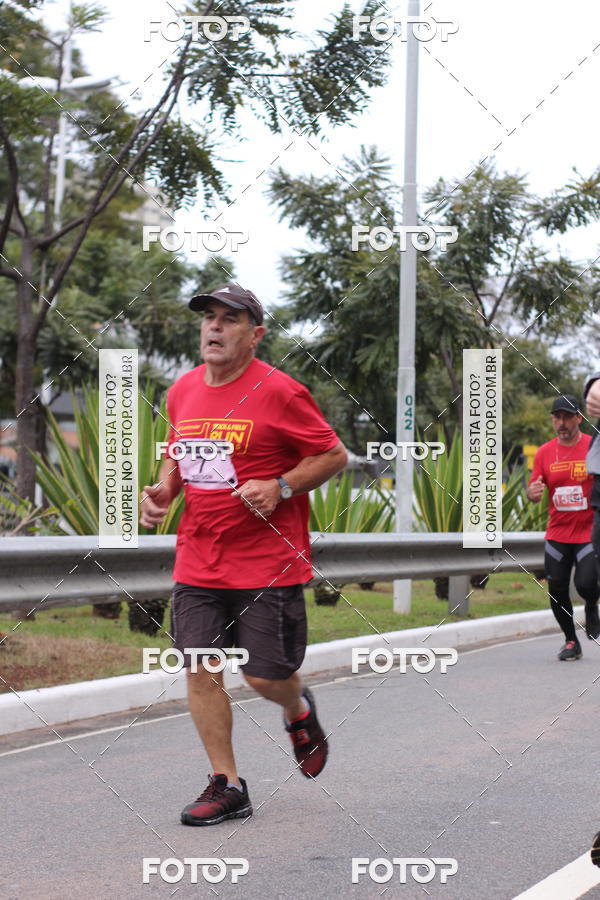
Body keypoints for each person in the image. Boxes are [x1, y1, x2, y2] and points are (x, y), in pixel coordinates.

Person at [140, 284, 348, 827]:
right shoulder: (182, 390)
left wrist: (280, 484)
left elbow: (332, 455)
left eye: (229, 320)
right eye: (209, 317)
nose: (214, 327)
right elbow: (178, 452)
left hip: (266, 561)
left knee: (264, 675)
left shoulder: (281, 391)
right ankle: (227, 784)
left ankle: (298, 709)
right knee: (200, 667)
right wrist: (165, 490)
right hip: (199, 559)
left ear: (254, 335)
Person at [526, 394, 599, 661]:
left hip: (589, 532)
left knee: (586, 584)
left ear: (579, 418)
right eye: (557, 417)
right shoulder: (545, 452)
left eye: (567, 416)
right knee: (556, 589)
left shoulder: (594, 447)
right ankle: (571, 641)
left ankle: (591, 605)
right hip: (557, 533)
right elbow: (534, 490)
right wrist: (532, 492)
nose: (562, 422)